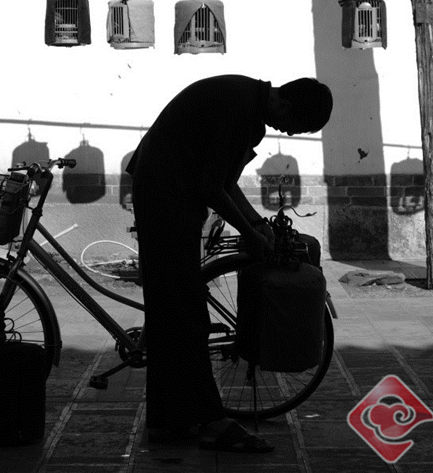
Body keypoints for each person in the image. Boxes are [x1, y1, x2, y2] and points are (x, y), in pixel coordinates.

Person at [126, 74, 333, 453]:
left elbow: (224, 183)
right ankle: (211, 422)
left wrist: (256, 224)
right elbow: (211, 186)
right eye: (294, 126)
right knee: (185, 315)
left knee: (173, 314)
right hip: (164, 197)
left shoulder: (247, 107)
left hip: (170, 194)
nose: (287, 133)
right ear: (285, 105)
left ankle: (170, 422)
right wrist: (251, 235)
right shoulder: (239, 109)